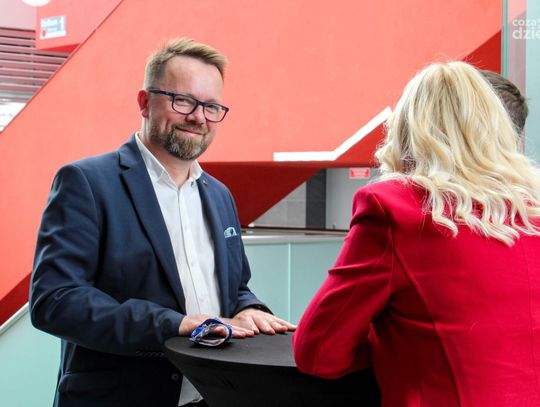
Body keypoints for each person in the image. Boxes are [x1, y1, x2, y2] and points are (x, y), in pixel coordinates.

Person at [30, 38, 295, 407]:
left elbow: (235, 288)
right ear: (144, 102)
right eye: (182, 101)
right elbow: (56, 301)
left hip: (210, 396)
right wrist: (174, 324)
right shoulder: (86, 182)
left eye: (211, 106)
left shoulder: (220, 195)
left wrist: (247, 309)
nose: (198, 117)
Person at [293, 61, 540, 406]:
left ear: (407, 129)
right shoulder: (532, 209)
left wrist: (394, 340)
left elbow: (318, 352)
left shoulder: (395, 207)